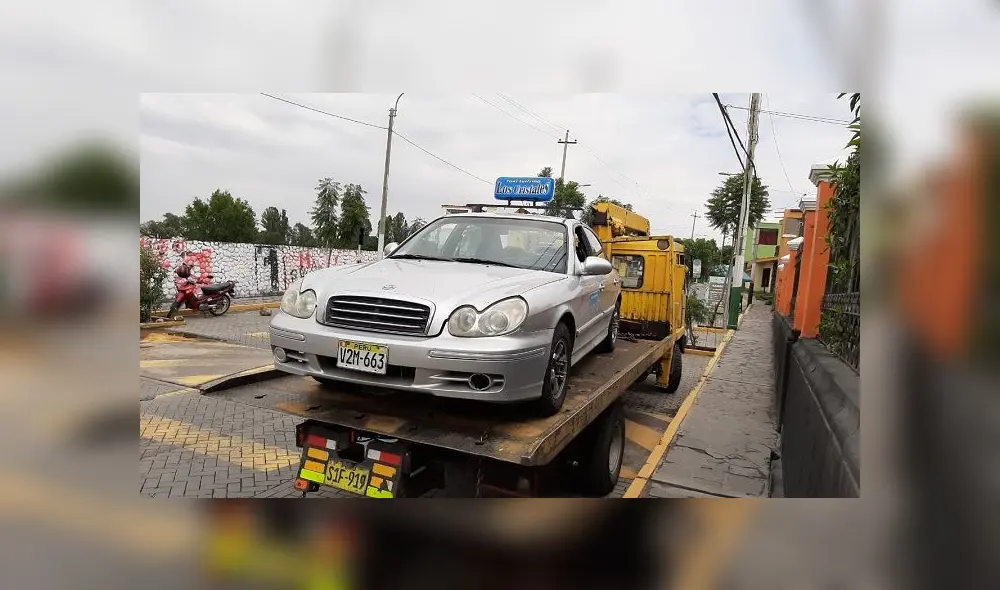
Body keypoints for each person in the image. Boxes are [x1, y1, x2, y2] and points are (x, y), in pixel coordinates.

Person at [166, 253, 202, 319]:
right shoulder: (182, 268)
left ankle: (195, 305)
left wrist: (197, 280)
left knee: (194, 292)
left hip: (193, 282)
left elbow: (194, 277)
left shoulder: (190, 270)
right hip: (186, 282)